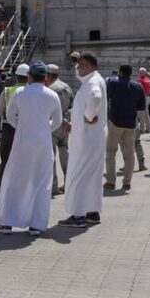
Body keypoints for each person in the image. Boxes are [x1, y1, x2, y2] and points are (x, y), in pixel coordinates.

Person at [0, 62, 62, 236]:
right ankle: (36, 225)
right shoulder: (52, 95)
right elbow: (58, 121)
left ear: (30, 76)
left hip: (22, 143)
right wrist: (43, 128)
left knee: (14, 180)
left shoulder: (19, 93)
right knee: (41, 184)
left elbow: (9, 117)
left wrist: (23, 127)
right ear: (46, 77)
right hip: (43, 144)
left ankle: (7, 223)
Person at [58, 52, 107, 228]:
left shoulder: (93, 82)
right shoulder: (94, 78)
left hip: (86, 137)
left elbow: (95, 98)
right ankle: (92, 212)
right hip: (93, 136)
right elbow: (83, 80)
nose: (77, 69)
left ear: (89, 66)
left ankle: (78, 215)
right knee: (92, 175)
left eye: (80, 65)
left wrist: (88, 115)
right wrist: (75, 60)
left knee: (78, 174)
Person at [104, 65, 144, 191]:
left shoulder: (113, 83)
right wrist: (142, 125)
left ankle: (110, 182)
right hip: (131, 124)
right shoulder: (138, 87)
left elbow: (106, 97)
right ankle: (127, 182)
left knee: (111, 152)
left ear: (120, 72)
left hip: (115, 122)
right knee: (130, 153)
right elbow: (141, 109)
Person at [0, 63, 28, 196]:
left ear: (16, 76)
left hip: (8, 128)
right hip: (26, 128)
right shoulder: (33, 91)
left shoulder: (7, 91)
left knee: (5, 159)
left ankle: (0, 186)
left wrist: (5, 118)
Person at [47, 64, 73, 195]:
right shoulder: (67, 87)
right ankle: (69, 183)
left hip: (53, 125)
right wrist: (69, 122)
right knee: (65, 154)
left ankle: (54, 186)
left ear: (49, 75)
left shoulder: (49, 89)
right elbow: (72, 106)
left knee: (51, 157)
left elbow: (51, 110)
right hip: (65, 126)